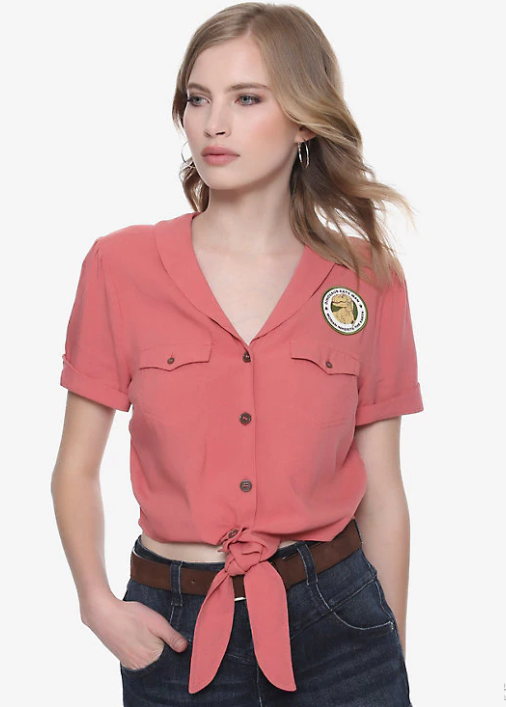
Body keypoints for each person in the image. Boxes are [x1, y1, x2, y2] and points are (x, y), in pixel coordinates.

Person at [51, 3, 424, 705]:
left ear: (305, 119)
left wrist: (388, 656)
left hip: (341, 622)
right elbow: (75, 467)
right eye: (198, 99)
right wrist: (97, 603)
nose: (212, 124)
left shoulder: (368, 277)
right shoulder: (119, 266)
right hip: (174, 629)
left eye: (247, 98)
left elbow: (384, 491)